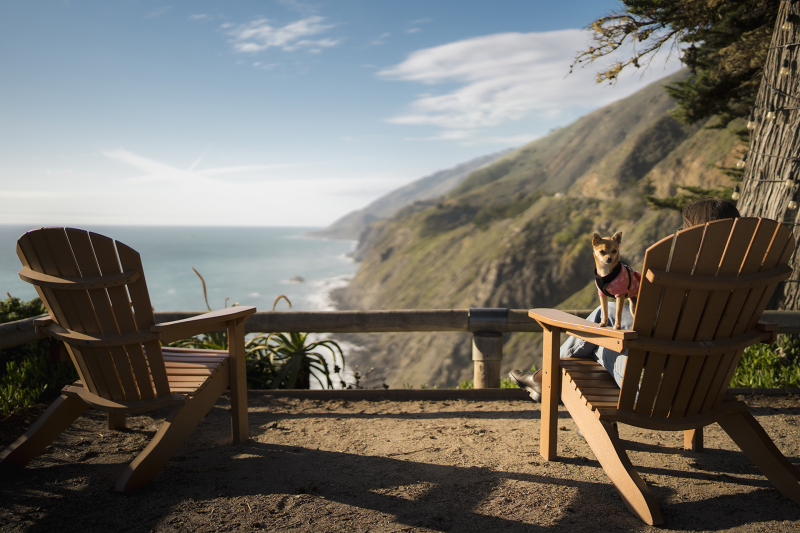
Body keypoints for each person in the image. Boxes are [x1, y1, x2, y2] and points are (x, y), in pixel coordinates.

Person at [509, 197, 741, 401]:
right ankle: (567, 398)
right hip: (705, 388)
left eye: (685, 228)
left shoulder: (684, 273)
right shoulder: (746, 276)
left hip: (651, 392)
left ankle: (545, 380)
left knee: (600, 330)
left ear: (696, 234)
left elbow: (659, 331)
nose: (680, 233)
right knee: (608, 316)